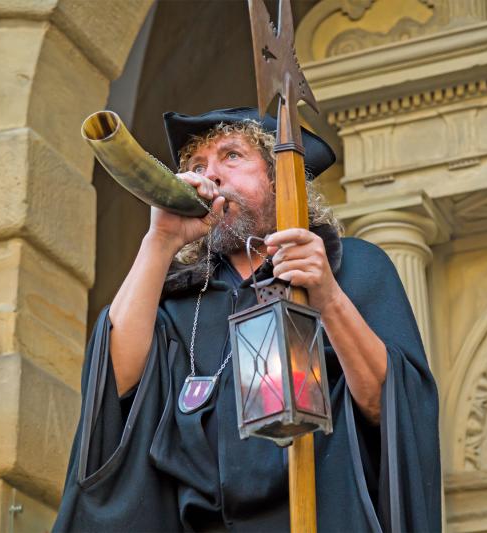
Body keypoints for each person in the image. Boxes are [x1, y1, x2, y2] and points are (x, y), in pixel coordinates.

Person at [53, 107, 441, 532]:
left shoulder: (353, 268)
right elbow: (113, 387)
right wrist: (160, 240)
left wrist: (327, 297)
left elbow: (389, 407)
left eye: (232, 156)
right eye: (197, 166)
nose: (211, 175)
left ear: (280, 179)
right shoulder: (180, 297)